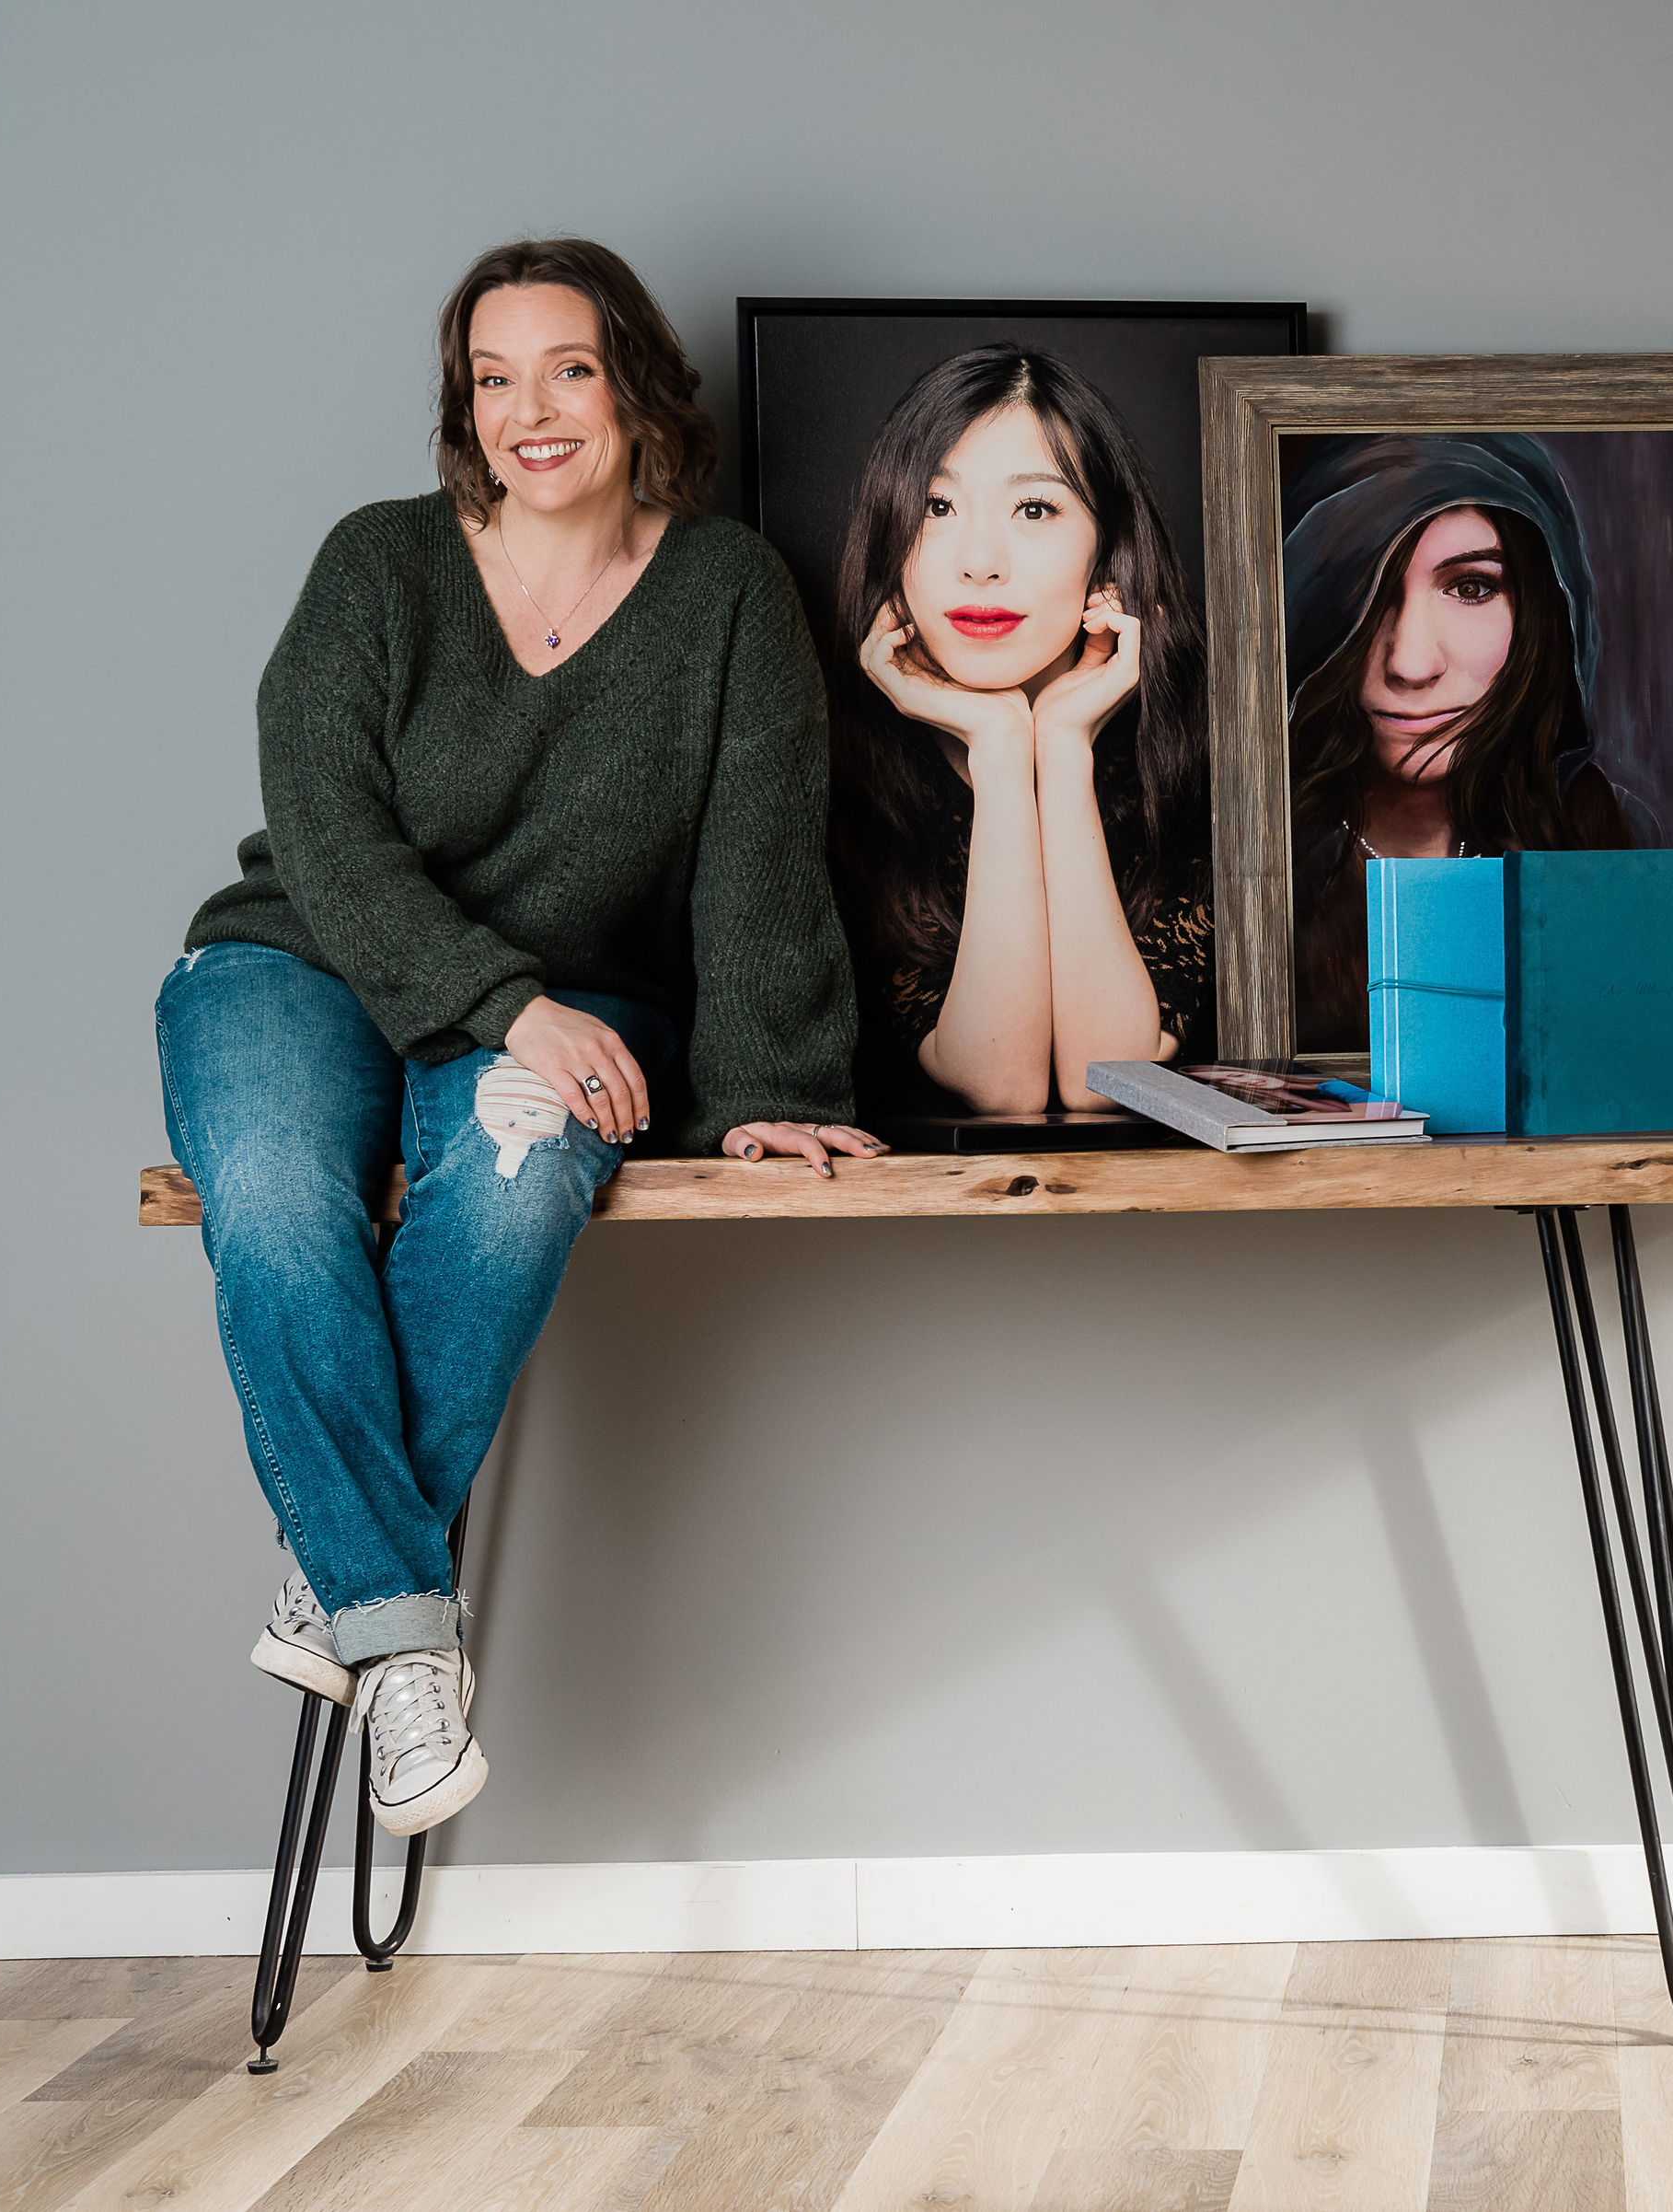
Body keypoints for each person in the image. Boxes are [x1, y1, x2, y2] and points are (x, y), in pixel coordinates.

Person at [158, 238, 873, 1836]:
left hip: (567, 997)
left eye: (567, 368)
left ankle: (341, 1566)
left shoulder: (727, 592)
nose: (529, 411)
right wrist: (503, 1003)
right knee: (273, 1202)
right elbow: (325, 830)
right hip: (296, 964)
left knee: (520, 1161)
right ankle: (404, 1629)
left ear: (634, 387)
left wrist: (768, 1087)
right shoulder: (379, 564)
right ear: (461, 403)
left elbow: (762, 852)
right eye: (493, 377)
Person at [829, 345, 1213, 1116]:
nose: (979, 562)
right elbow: (998, 1085)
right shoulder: (837, 770)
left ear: (1108, 550)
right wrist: (1001, 750)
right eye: (937, 507)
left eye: (1034, 508)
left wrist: (1061, 746)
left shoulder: (1204, 760)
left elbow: (1107, 1079)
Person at [1280, 434, 1655, 1052]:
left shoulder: (1610, 839)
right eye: (1368, 594)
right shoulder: (1254, 859)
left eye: (1471, 588)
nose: (1411, 662)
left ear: (1541, 611)